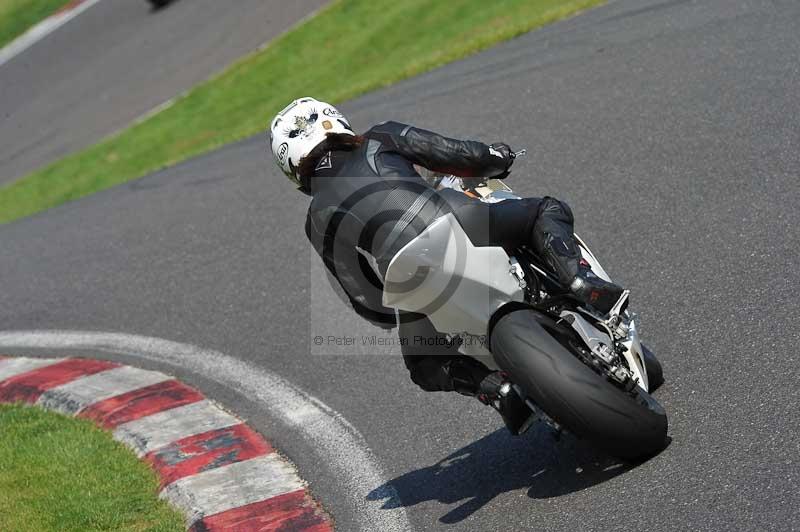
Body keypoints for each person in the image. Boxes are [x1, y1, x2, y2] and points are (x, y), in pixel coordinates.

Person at [269, 97, 624, 435]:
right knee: (546, 210)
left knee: (425, 366)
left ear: (292, 168)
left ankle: (497, 389)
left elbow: (365, 300)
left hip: (407, 276)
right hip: (457, 219)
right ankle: (578, 279)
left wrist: (400, 303)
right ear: (335, 121)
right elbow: (459, 155)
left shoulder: (316, 220)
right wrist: (496, 157)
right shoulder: (381, 137)